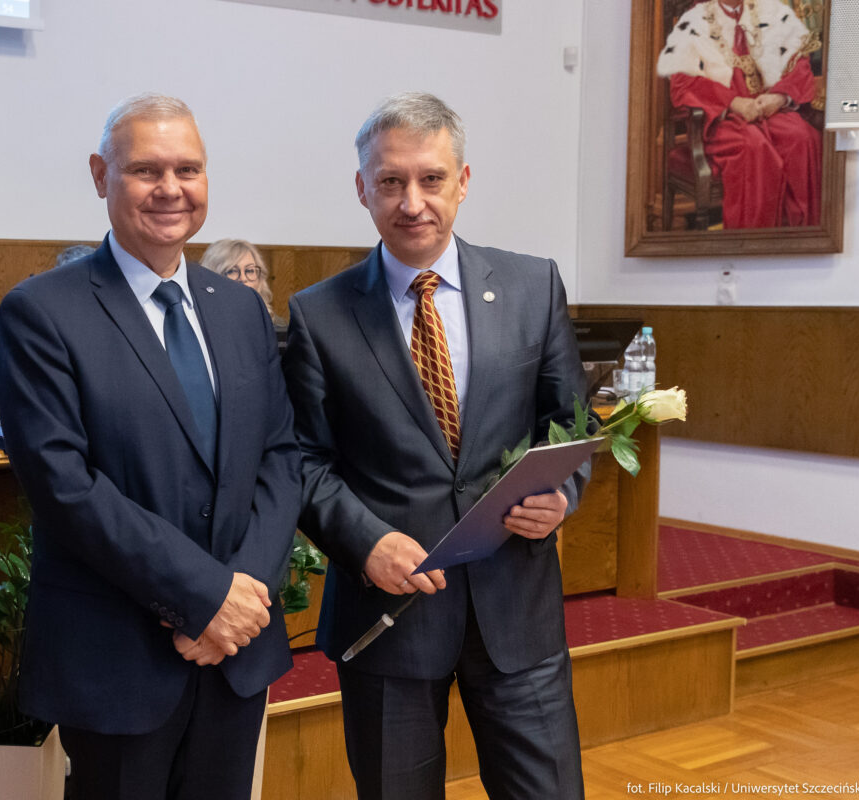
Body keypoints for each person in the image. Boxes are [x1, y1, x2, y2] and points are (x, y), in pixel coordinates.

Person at [283, 92, 590, 800]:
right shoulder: (319, 315)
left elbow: (569, 422)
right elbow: (301, 460)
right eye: (391, 181)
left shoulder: (532, 285)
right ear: (362, 187)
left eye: (431, 179)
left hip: (518, 612)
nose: (412, 202)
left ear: (463, 181)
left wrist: (561, 495)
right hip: (390, 617)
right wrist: (366, 542)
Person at [0, 93, 301, 800]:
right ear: (101, 175)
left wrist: (241, 599)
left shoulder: (242, 310)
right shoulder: (43, 311)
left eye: (188, 169)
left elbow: (281, 459)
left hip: (236, 652)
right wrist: (204, 597)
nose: (171, 189)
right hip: (117, 660)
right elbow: (65, 487)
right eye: (146, 170)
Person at [657, 0, 822, 229]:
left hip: (766, 110)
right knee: (754, 145)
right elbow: (683, 83)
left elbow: (798, 64)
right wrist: (733, 102)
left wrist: (779, 97)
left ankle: (800, 240)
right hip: (721, 118)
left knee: (802, 138)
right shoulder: (696, 20)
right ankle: (753, 241)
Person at [201, 239, 280, 324]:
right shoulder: (200, 324)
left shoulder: (276, 325)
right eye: (232, 271)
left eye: (249, 271)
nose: (243, 278)